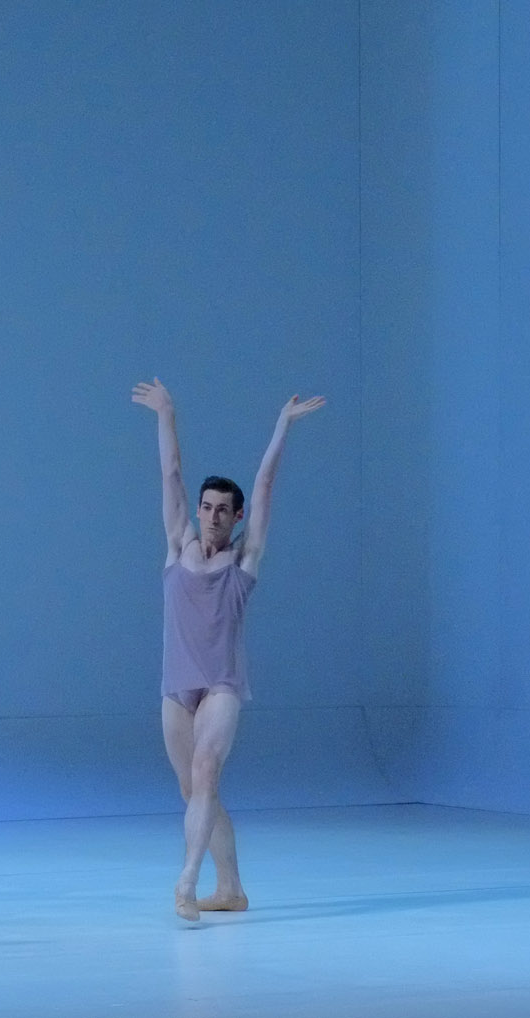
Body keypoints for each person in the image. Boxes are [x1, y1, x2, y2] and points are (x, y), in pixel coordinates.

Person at [131, 378, 324, 923]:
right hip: (176, 686)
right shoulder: (177, 546)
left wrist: (282, 425)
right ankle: (232, 888)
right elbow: (170, 474)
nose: (212, 515)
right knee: (193, 790)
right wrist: (165, 414)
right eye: (207, 506)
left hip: (220, 684)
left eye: (223, 510)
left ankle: (188, 881)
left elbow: (264, 486)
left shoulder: (243, 562)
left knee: (208, 773)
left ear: (235, 518)